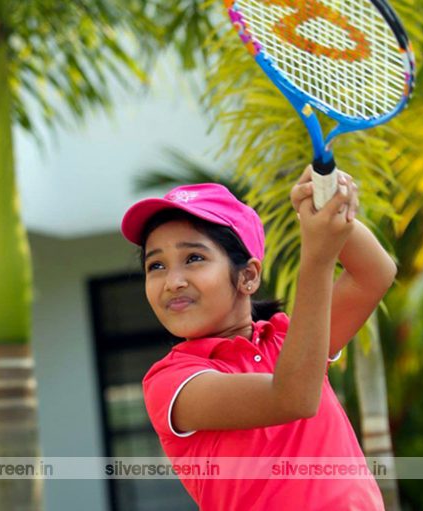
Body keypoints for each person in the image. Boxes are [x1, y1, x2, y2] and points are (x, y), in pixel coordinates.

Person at [120, 167, 396, 510]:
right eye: (156, 266)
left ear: (248, 276)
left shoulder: (288, 340)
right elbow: (292, 397)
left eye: (193, 258)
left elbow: (374, 275)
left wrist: (330, 204)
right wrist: (318, 256)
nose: (172, 281)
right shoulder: (171, 382)